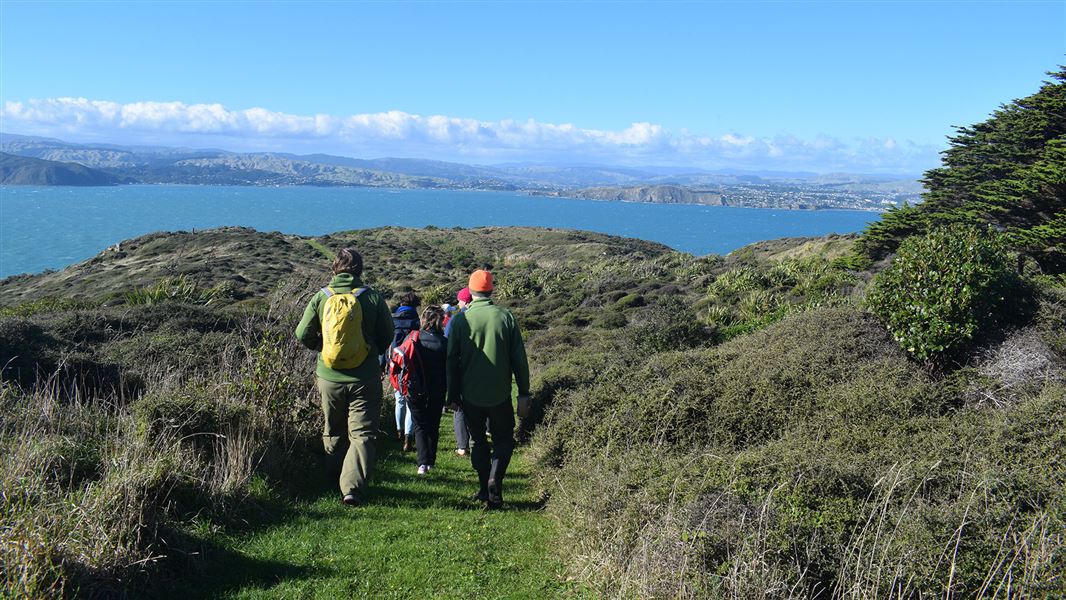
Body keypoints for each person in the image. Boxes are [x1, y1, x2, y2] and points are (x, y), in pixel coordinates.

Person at [295, 248, 393, 506]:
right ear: (360, 270)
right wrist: (371, 350)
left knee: (333, 428)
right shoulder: (371, 298)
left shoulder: (321, 297)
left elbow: (302, 333)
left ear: (334, 269)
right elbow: (387, 336)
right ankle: (351, 489)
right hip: (365, 377)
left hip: (329, 376)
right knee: (362, 434)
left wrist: (322, 348)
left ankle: (332, 478)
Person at [446, 271, 531, 509]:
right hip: (500, 394)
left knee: (477, 441)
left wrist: (452, 394)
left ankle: (484, 487)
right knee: (504, 439)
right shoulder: (505, 316)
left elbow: (451, 360)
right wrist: (523, 391)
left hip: (470, 395)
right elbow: (519, 360)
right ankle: (495, 479)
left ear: (471, 291)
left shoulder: (461, 320)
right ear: (491, 290)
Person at [406, 305, 448, 475]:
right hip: (437, 388)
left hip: (415, 388)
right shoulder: (445, 343)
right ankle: (430, 461)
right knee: (433, 424)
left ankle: (422, 463)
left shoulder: (414, 338)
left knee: (420, 425)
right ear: (440, 321)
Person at [390, 292, 421, 452]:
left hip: (395, 364)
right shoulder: (417, 322)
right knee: (410, 402)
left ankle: (398, 432)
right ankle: (409, 438)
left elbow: (386, 344)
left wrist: (383, 365)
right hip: (412, 365)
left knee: (399, 399)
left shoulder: (392, 320)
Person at [445, 287, 473, 456]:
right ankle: (475, 440)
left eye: (460, 301)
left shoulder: (456, 320)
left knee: (460, 407)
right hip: (480, 368)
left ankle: (463, 446)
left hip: (461, 368)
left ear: (464, 301)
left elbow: (448, 344)